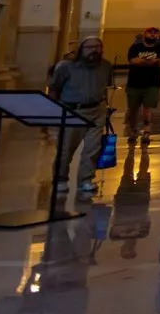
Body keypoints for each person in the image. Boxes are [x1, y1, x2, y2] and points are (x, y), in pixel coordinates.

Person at [47, 35, 114, 201]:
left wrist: (105, 108)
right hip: (72, 110)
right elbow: (55, 89)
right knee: (66, 148)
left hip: (97, 110)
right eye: (90, 47)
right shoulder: (66, 67)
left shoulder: (105, 66)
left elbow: (104, 87)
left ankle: (86, 179)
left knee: (93, 148)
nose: (94, 50)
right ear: (81, 49)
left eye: (97, 47)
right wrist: (53, 112)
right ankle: (60, 179)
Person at [124, 27, 160, 138]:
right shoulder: (135, 47)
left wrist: (142, 61)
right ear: (144, 34)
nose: (152, 35)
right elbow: (133, 61)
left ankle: (146, 132)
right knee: (133, 109)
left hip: (152, 83)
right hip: (134, 83)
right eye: (150, 33)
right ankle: (133, 130)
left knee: (148, 109)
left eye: (154, 33)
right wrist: (151, 61)